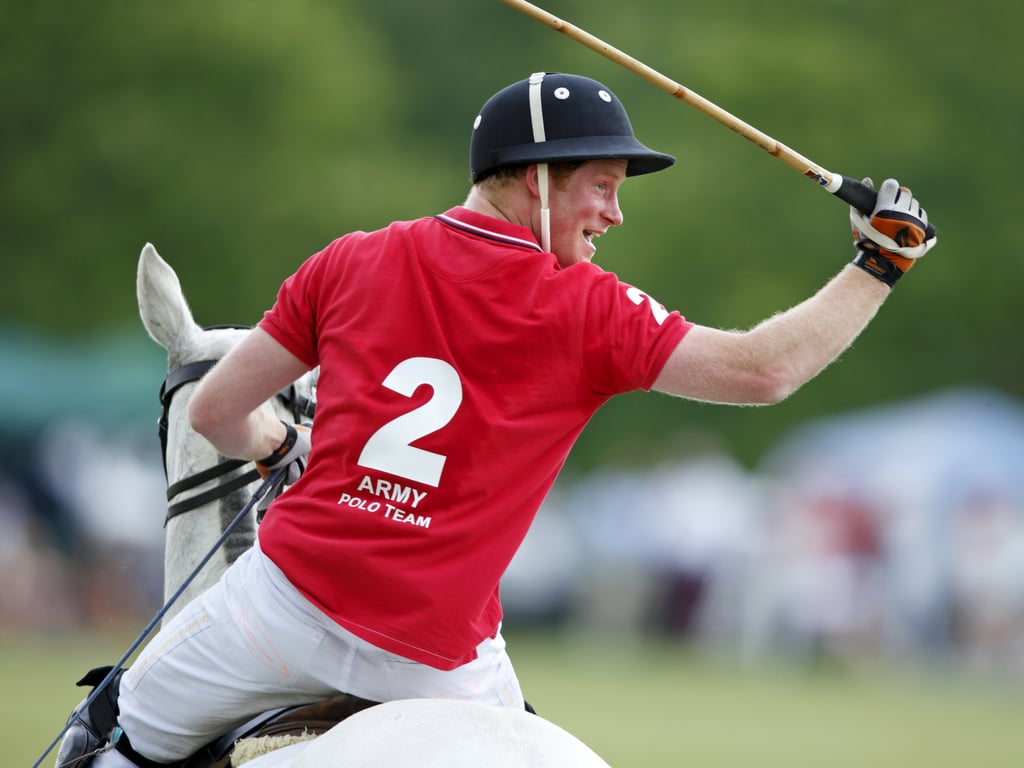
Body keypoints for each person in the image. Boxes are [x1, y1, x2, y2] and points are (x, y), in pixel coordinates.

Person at [67, 71, 936, 767]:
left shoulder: (349, 260)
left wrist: (282, 444)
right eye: (600, 185)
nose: (615, 212)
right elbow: (766, 371)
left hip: (281, 609)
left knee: (111, 738)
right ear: (535, 180)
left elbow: (218, 410)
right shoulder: (589, 310)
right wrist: (877, 266)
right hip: (436, 658)